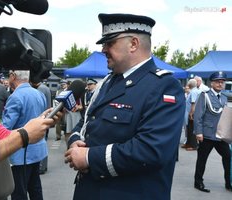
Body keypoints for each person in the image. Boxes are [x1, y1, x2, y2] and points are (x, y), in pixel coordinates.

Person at [64, 13, 185, 200]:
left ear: (134, 44)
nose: (103, 49)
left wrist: (88, 157)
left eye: (109, 43)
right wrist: (74, 141)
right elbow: (88, 121)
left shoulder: (164, 86)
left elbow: (151, 150)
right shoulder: (108, 81)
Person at [2, 70, 47, 200]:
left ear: (13, 76)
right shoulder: (39, 93)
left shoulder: (16, 96)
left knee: (19, 193)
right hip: (37, 150)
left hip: (20, 152)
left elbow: (6, 127)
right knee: (35, 188)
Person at [193, 71, 232, 192]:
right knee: (202, 159)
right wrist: (198, 132)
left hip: (220, 135)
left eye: (222, 82)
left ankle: (228, 183)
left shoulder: (225, 97)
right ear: (212, 83)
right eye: (217, 82)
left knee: (228, 157)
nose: (220, 84)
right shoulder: (205, 96)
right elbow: (198, 116)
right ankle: (198, 182)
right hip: (207, 135)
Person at [30, 79, 52, 174]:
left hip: (42, 118)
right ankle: (44, 166)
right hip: (47, 117)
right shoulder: (45, 88)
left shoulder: (40, 89)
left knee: (41, 143)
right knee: (44, 142)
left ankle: (41, 167)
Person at [181, 79, 201, 151]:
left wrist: (191, 113)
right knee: (189, 129)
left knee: (192, 130)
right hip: (190, 113)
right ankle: (188, 143)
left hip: (192, 113)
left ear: (190, 84)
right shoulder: (194, 91)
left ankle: (193, 145)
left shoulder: (194, 92)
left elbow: (193, 103)